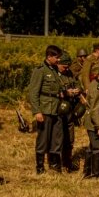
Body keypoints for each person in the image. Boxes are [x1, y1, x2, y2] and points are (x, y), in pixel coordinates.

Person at [28, 45, 64, 173]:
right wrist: (37, 111)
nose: (59, 60)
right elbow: (33, 92)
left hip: (56, 109)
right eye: (56, 57)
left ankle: (54, 164)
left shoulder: (54, 70)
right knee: (43, 139)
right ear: (49, 56)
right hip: (45, 109)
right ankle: (40, 167)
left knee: (56, 138)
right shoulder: (40, 70)